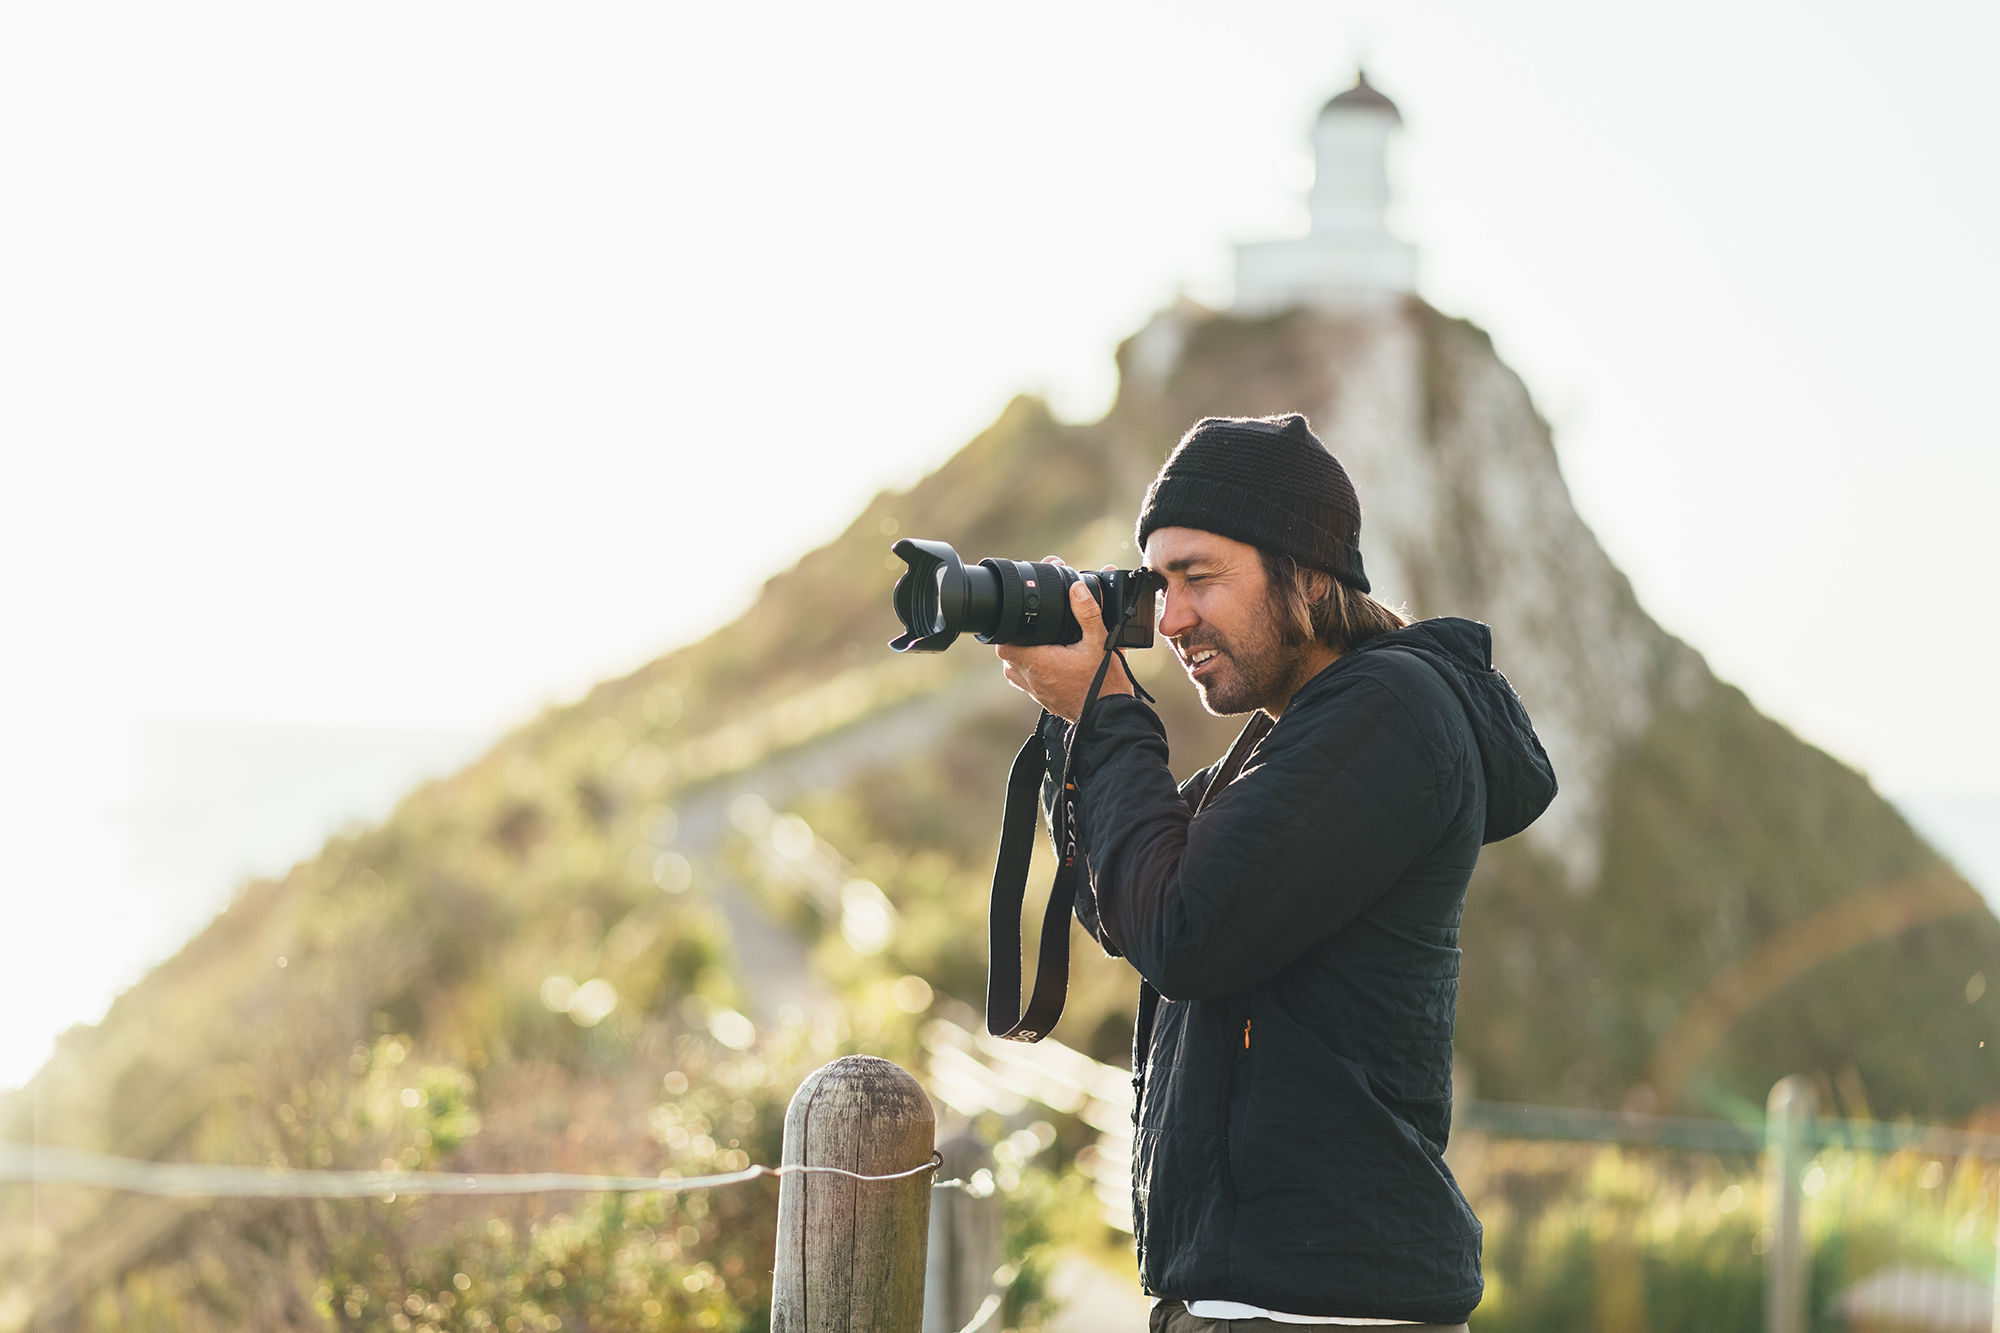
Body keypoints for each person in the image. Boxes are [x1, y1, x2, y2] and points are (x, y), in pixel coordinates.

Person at [995, 414, 1557, 1331]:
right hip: (1256, 1303)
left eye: (1198, 576)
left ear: (1302, 570)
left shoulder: (1390, 710)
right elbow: (1128, 908)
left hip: (1325, 1311)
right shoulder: (1286, 742)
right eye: (1156, 582)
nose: (1170, 618)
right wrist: (1077, 720)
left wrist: (1108, 712)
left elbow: (1183, 933)